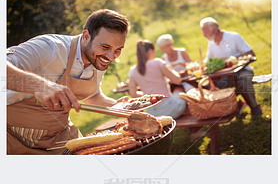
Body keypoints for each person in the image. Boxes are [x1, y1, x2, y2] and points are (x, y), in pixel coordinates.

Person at [6, 9, 130, 154]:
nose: (111, 56)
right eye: (105, 47)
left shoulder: (97, 58)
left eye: (118, 50)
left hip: (59, 137)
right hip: (11, 136)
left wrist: (117, 106)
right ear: (86, 36)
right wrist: (42, 86)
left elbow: (91, 95)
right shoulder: (49, 47)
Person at [200, 17, 263, 116]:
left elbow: (251, 53)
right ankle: (237, 105)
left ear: (215, 30)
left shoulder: (234, 37)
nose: (204, 35)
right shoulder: (211, 43)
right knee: (208, 87)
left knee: (242, 81)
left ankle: (254, 107)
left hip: (243, 71)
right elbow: (207, 61)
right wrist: (202, 65)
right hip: (225, 75)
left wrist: (232, 59)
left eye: (205, 32)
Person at [128, 40, 187, 119]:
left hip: (151, 113)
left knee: (174, 94)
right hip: (169, 110)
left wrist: (149, 95)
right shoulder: (157, 62)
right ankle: (193, 122)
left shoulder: (133, 70)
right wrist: (170, 68)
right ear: (151, 51)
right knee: (179, 89)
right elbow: (177, 80)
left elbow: (133, 94)